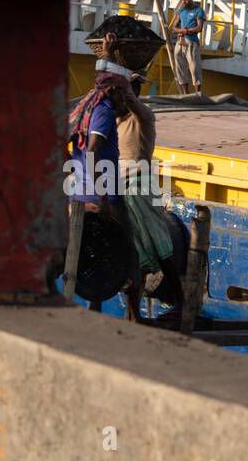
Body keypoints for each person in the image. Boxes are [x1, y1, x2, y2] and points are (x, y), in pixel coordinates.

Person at [68, 67, 134, 312]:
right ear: (113, 90)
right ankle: (133, 307)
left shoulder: (83, 109)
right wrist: (103, 197)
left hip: (78, 194)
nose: (124, 101)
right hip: (104, 195)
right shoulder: (104, 111)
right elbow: (93, 150)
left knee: (89, 254)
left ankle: (91, 308)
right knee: (129, 246)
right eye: (123, 95)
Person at [118, 73, 182, 310]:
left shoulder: (143, 117)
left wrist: (121, 83)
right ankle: (134, 313)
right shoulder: (117, 120)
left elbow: (131, 102)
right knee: (135, 253)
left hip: (140, 186)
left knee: (160, 246)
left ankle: (180, 302)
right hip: (121, 187)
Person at [170, 0, 205, 94]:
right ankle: (186, 94)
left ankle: (198, 94)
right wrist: (181, 30)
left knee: (194, 68)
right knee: (180, 67)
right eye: (182, 0)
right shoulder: (181, 11)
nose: (184, 2)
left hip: (192, 42)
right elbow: (174, 27)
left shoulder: (198, 11)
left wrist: (187, 31)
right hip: (180, 41)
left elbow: (199, 28)